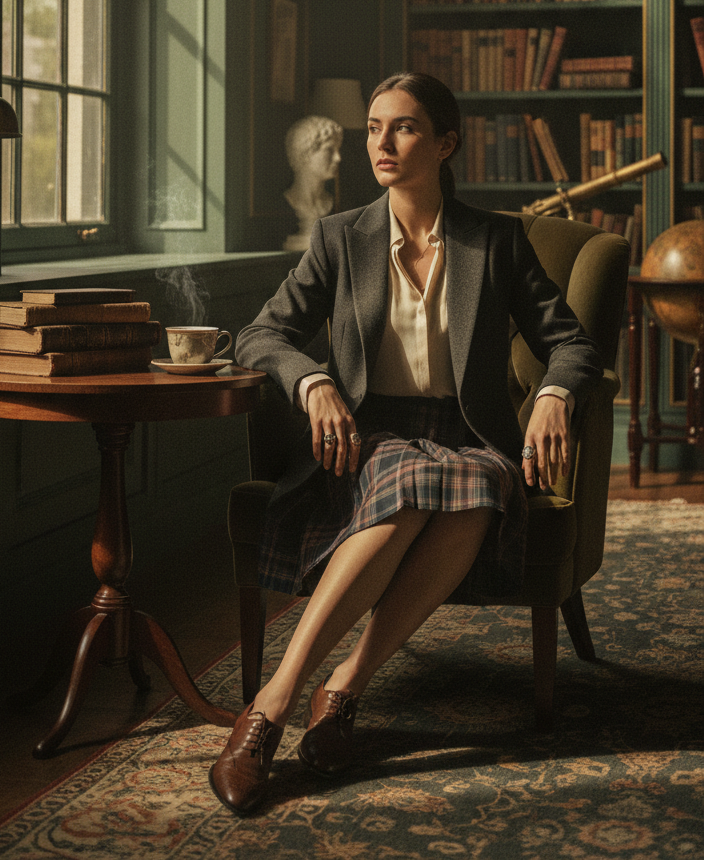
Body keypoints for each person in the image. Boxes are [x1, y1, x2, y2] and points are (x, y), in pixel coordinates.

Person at [209, 72, 602, 815]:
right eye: (373, 128)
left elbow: (571, 343)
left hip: (468, 432)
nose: (381, 144)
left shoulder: (496, 239)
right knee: (413, 485)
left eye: (405, 128)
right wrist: (312, 382)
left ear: (445, 143)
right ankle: (272, 705)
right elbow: (261, 334)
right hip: (373, 432)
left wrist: (552, 394)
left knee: (479, 485)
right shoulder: (339, 237)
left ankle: (344, 686)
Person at [283, 114, 343, 250]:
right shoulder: (288, 202)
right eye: (329, 150)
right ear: (305, 153)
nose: (338, 158)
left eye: (338, 150)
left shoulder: (330, 202)